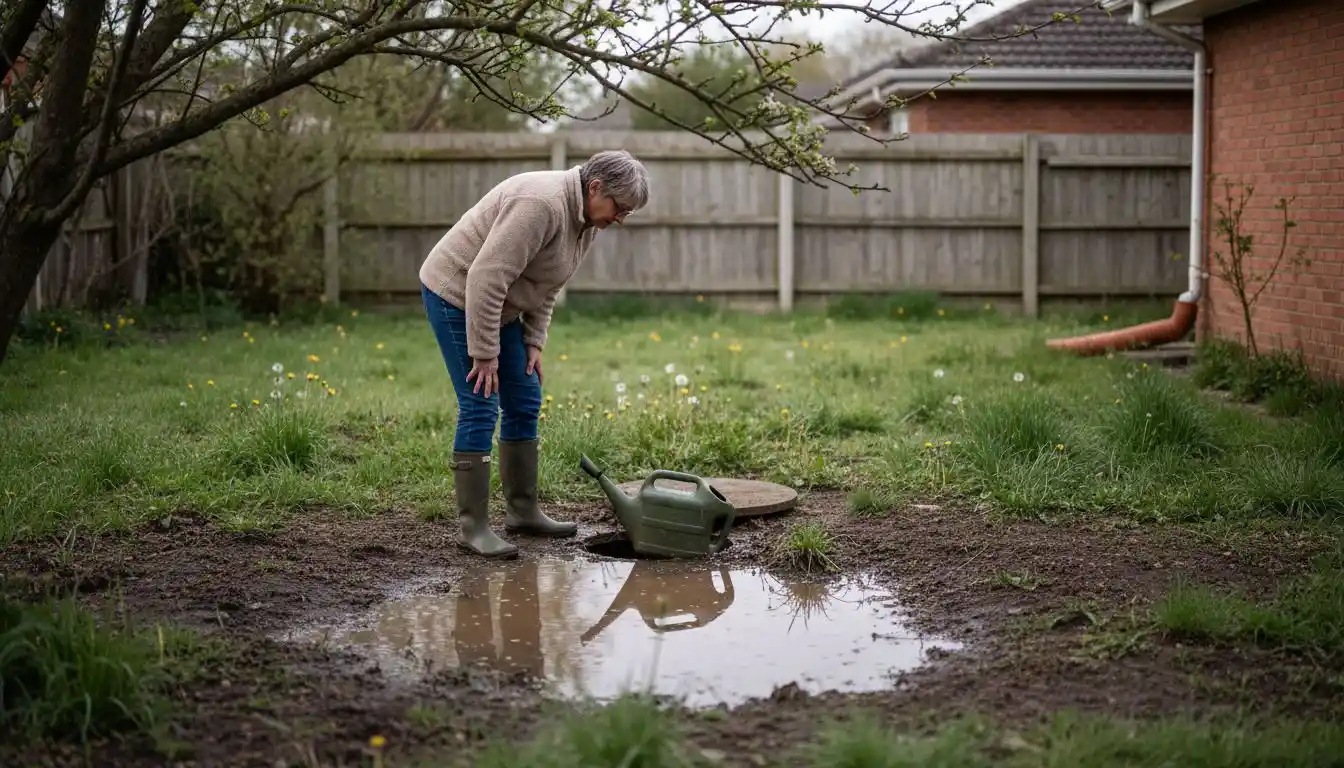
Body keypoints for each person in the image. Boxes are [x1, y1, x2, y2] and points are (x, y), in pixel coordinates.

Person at [419, 150, 651, 559]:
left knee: (525, 398)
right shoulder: (540, 204)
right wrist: (485, 353)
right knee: (480, 402)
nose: (621, 219)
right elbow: (485, 276)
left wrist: (533, 341)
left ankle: (522, 511)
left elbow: (548, 283)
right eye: (620, 208)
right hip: (457, 294)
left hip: (500, 302)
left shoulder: (586, 220)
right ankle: (473, 528)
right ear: (595, 187)